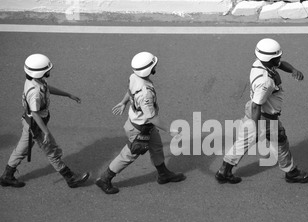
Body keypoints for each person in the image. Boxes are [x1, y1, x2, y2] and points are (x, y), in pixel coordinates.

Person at [215, 38, 308, 184]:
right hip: (264, 116)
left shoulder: (260, 63)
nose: (280, 59)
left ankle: (224, 171)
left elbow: (281, 65)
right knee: (280, 141)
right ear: (269, 60)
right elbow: (257, 105)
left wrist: (293, 70)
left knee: (244, 141)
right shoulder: (265, 82)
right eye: (277, 57)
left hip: (254, 112)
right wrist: (256, 127)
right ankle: (291, 172)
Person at [96, 52, 186, 194]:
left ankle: (163, 174)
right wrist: (171, 131)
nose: (156, 66)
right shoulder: (146, 93)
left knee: (156, 147)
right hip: (140, 129)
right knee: (129, 155)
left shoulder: (134, 77)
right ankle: (104, 179)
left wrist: (123, 102)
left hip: (143, 125)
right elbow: (152, 118)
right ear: (149, 70)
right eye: (154, 65)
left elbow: (130, 91)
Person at [0, 54, 90, 188]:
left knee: (21, 150)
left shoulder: (37, 81)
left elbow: (47, 89)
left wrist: (68, 95)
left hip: (30, 123)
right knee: (51, 151)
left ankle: (7, 176)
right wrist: (46, 132)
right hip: (36, 125)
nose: (50, 71)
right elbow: (35, 114)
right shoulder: (35, 93)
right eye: (48, 69)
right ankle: (71, 178)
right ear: (41, 72)